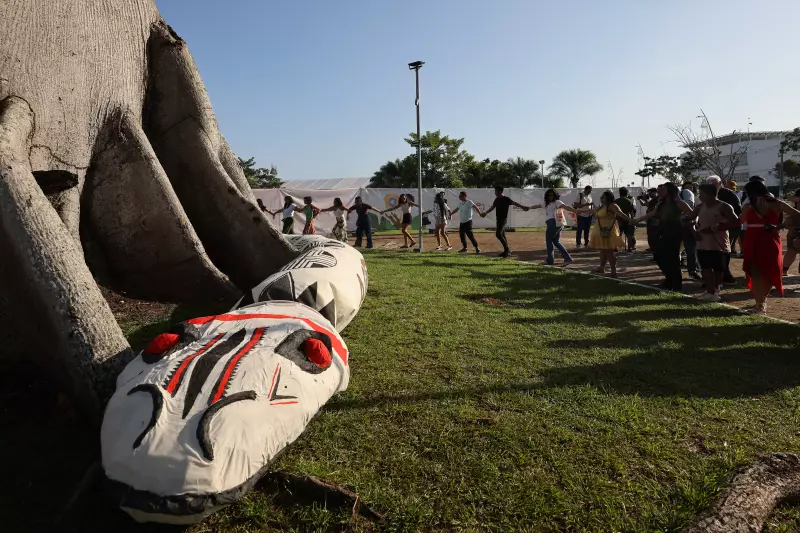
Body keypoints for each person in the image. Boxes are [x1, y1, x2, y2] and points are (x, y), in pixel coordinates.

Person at [740, 181, 800, 314]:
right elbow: (797, 214)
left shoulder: (748, 206)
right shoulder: (777, 203)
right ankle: (761, 303)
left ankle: (760, 305)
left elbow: (740, 221)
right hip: (770, 237)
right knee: (767, 269)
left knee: (756, 271)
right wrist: (783, 225)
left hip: (755, 238)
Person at [633, 182, 695, 291]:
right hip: (663, 231)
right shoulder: (661, 203)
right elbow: (652, 214)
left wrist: (689, 223)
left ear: (670, 190)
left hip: (675, 232)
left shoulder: (678, 202)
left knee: (673, 258)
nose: (660, 191)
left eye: (663, 189)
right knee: (658, 255)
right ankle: (670, 279)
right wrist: (637, 220)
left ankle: (675, 283)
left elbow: (692, 214)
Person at [693, 184, 739, 301]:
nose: (699, 196)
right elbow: (692, 220)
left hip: (719, 243)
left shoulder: (724, 207)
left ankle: (716, 290)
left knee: (718, 269)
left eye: (701, 193)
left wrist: (717, 227)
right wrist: (695, 231)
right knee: (705, 268)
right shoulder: (699, 207)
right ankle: (710, 291)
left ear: (709, 194)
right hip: (703, 243)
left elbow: (736, 222)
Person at [578, 190, 628, 277]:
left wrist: (631, 221)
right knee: (603, 251)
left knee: (609, 252)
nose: (601, 198)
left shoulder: (612, 205)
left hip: (608, 232)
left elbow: (620, 214)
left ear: (608, 197)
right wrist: (580, 211)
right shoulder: (602, 206)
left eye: (603, 197)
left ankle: (613, 271)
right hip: (601, 232)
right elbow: (593, 211)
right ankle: (602, 268)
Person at [707, 176, 742, 283]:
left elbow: (737, 211)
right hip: (713, 227)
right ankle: (719, 274)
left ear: (720, 183)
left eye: (714, 184)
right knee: (715, 252)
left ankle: (725, 274)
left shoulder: (728, 194)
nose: (712, 186)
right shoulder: (709, 195)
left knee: (724, 252)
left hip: (728, 227)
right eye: (709, 184)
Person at [527, 189, 575, 266]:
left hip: (554, 223)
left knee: (549, 241)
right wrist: (529, 208)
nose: (550, 196)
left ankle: (550, 260)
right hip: (556, 224)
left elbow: (565, 207)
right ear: (546, 196)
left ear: (555, 195)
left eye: (552, 195)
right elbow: (537, 206)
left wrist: (575, 211)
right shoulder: (546, 203)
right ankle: (567, 258)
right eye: (549, 195)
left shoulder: (557, 202)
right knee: (556, 242)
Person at [481, 185, 529, 258]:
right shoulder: (497, 199)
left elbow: (515, 203)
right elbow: (492, 207)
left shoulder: (506, 199)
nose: (495, 193)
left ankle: (507, 250)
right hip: (498, 219)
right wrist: (486, 212)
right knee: (502, 235)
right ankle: (506, 251)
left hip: (503, 219)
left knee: (498, 234)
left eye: (496, 191)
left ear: (499, 191)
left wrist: (522, 207)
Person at [680, 182, 700, 281]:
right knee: (681, 250)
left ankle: (692, 271)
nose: (689, 189)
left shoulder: (697, 198)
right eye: (687, 188)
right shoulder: (681, 198)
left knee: (691, 250)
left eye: (691, 187)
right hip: (683, 224)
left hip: (690, 225)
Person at [637, 187, 660, 258]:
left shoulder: (657, 199)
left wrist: (645, 199)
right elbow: (645, 205)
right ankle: (652, 248)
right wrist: (640, 200)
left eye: (650, 193)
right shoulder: (653, 200)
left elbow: (648, 205)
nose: (649, 195)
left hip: (654, 220)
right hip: (650, 219)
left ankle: (654, 249)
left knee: (653, 235)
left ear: (655, 192)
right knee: (650, 234)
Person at [782, 190, 800, 275]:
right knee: (791, 252)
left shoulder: (796, 206)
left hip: (794, 231)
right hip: (794, 231)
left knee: (791, 252)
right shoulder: (796, 208)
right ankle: (783, 270)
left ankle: (784, 270)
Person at [614, 187, 637, 253]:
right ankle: (629, 248)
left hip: (618, 219)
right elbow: (632, 211)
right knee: (629, 235)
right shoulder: (629, 201)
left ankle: (615, 247)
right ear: (626, 193)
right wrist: (632, 220)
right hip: (628, 219)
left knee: (618, 234)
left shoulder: (616, 201)